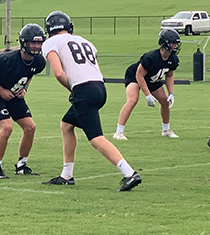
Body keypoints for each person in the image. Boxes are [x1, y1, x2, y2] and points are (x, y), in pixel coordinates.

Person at [39, 11, 142, 191]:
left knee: (96, 138)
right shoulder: (84, 41)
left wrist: (73, 89)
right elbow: (95, 69)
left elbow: (59, 73)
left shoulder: (50, 42)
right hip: (99, 88)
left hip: (84, 89)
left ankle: (129, 173)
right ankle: (67, 175)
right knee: (66, 125)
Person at [0, 23, 47, 179]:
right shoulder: (7, 59)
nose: (36, 46)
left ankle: (22, 165)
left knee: (30, 127)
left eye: (39, 42)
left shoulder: (39, 62)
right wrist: (0, 90)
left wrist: (25, 89)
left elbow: (31, 73)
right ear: (24, 42)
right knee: (7, 127)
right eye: (33, 42)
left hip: (14, 95)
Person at [113, 28, 181, 140]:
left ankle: (166, 129)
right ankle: (118, 132)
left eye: (176, 43)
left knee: (165, 101)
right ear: (164, 43)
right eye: (172, 43)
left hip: (152, 79)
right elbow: (139, 75)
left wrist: (171, 93)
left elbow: (169, 75)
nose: (175, 46)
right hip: (135, 76)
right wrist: (147, 95)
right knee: (133, 99)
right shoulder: (152, 57)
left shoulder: (173, 59)